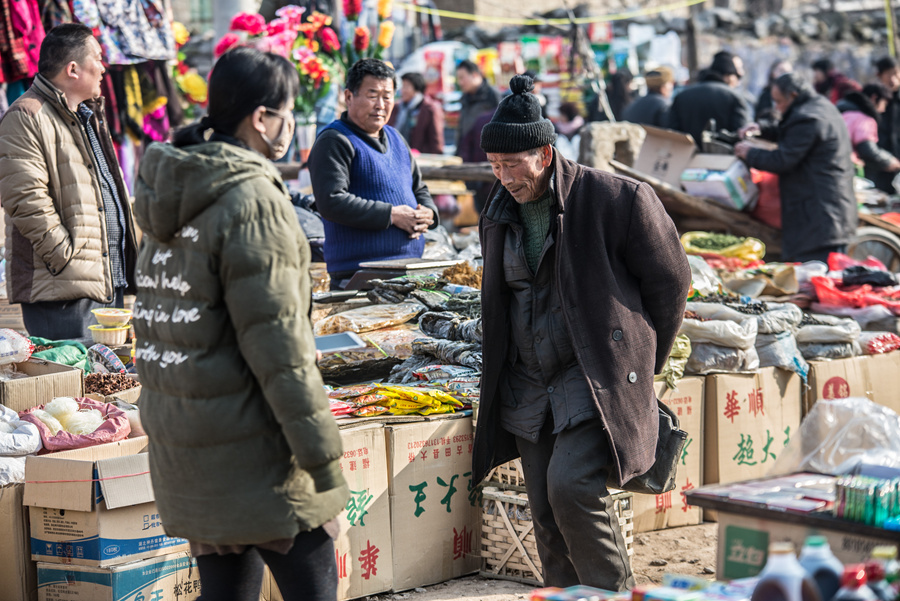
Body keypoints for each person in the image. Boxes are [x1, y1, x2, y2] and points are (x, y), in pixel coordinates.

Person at [133, 47, 349, 601]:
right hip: (260, 458)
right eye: (287, 111)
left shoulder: (170, 193)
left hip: (188, 451)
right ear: (261, 118)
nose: (291, 124)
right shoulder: (252, 200)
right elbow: (283, 355)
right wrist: (326, 477)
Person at [473, 74, 691, 591]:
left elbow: (672, 280)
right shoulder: (499, 212)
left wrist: (637, 358)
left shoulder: (616, 200)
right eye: (494, 165)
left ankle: (611, 593)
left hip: (592, 375)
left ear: (545, 154)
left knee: (571, 487)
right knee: (545, 511)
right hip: (528, 382)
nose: (502, 176)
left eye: (512, 164)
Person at [0, 23, 138, 340]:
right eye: (99, 58)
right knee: (67, 384)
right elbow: (26, 200)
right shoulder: (27, 116)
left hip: (101, 282)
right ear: (73, 68)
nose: (104, 68)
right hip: (63, 290)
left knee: (100, 386)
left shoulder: (87, 115)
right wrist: (64, 257)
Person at [308, 59, 439, 288]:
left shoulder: (396, 138)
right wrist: (392, 215)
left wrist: (429, 212)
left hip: (408, 270)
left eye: (387, 96)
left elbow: (418, 188)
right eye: (372, 95)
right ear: (349, 97)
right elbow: (331, 201)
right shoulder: (334, 140)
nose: (381, 104)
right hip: (360, 275)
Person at [735, 73, 857, 263]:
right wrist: (762, 129)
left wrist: (750, 153)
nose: (776, 107)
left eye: (778, 101)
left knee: (817, 275)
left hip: (820, 214)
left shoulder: (809, 118)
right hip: (826, 210)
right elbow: (790, 133)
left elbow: (783, 159)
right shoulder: (818, 107)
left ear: (793, 95)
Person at [667, 52, 750, 148]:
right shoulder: (735, 97)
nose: (738, 81)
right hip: (722, 159)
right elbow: (741, 134)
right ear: (728, 76)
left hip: (685, 157)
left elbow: (672, 132)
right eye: (737, 76)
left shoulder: (682, 96)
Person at [455, 59, 500, 214]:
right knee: (480, 211)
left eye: (462, 77)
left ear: (475, 75)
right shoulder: (465, 98)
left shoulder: (492, 96)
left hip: (490, 161)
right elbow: (462, 130)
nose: (460, 82)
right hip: (469, 158)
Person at [838, 83, 900, 180]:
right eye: (884, 104)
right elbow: (867, 149)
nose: (883, 109)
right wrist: (889, 161)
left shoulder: (843, 111)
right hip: (842, 167)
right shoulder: (864, 119)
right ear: (874, 98)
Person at [388, 71, 444, 155]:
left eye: (406, 86)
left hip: (421, 159)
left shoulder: (430, 109)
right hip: (398, 155)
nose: (403, 90)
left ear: (417, 88)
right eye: (402, 86)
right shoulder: (397, 107)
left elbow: (435, 138)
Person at [875, 56, 900, 192]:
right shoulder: (874, 99)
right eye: (888, 74)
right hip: (880, 164)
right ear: (879, 75)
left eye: (896, 73)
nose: (893, 80)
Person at [755, 60, 793, 125]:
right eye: (781, 71)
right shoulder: (766, 95)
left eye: (788, 72)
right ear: (773, 73)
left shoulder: (793, 95)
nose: (784, 74)